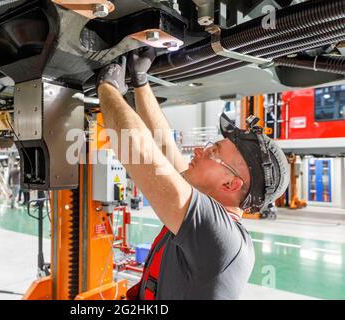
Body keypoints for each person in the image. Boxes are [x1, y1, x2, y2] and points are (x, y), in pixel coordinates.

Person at [96, 47, 290, 300]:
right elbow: (163, 144)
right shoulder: (207, 207)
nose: (200, 150)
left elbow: (139, 150)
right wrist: (141, 82)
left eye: (213, 152)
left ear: (231, 183)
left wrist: (108, 86)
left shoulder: (220, 236)